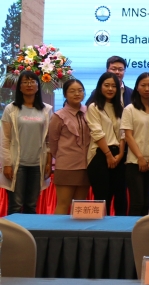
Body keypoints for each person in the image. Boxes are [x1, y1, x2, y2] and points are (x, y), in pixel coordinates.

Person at [1, 71, 53, 214]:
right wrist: (6, 164)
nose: (29, 85)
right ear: (19, 87)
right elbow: (4, 139)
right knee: (16, 205)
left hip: (37, 164)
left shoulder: (47, 109)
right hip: (17, 164)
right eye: (25, 82)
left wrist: (48, 162)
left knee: (31, 205)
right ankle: (13, 230)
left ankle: (30, 230)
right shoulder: (11, 109)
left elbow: (49, 140)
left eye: (32, 81)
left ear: (38, 86)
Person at [86, 72, 128, 216]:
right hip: (100, 154)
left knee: (121, 198)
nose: (110, 89)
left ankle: (121, 228)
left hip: (119, 155)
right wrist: (109, 155)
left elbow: (123, 133)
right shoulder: (93, 107)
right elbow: (97, 133)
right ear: (100, 87)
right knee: (103, 198)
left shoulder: (120, 107)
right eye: (107, 85)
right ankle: (100, 229)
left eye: (113, 86)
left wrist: (121, 154)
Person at [121, 72, 149, 216]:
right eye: (143, 85)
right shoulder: (129, 109)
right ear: (137, 87)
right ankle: (131, 229)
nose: (147, 88)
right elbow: (128, 136)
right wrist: (140, 157)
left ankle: (147, 229)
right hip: (134, 162)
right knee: (137, 202)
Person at [50, 78, 91, 214]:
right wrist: (64, 156)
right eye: (72, 91)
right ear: (65, 94)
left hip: (86, 166)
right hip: (66, 166)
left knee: (80, 206)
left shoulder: (90, 112)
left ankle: (78, 229)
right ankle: (56, 229)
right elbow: (53, 143)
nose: (77, 94)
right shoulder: (58, 116)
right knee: (63, 204)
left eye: (80, 90)